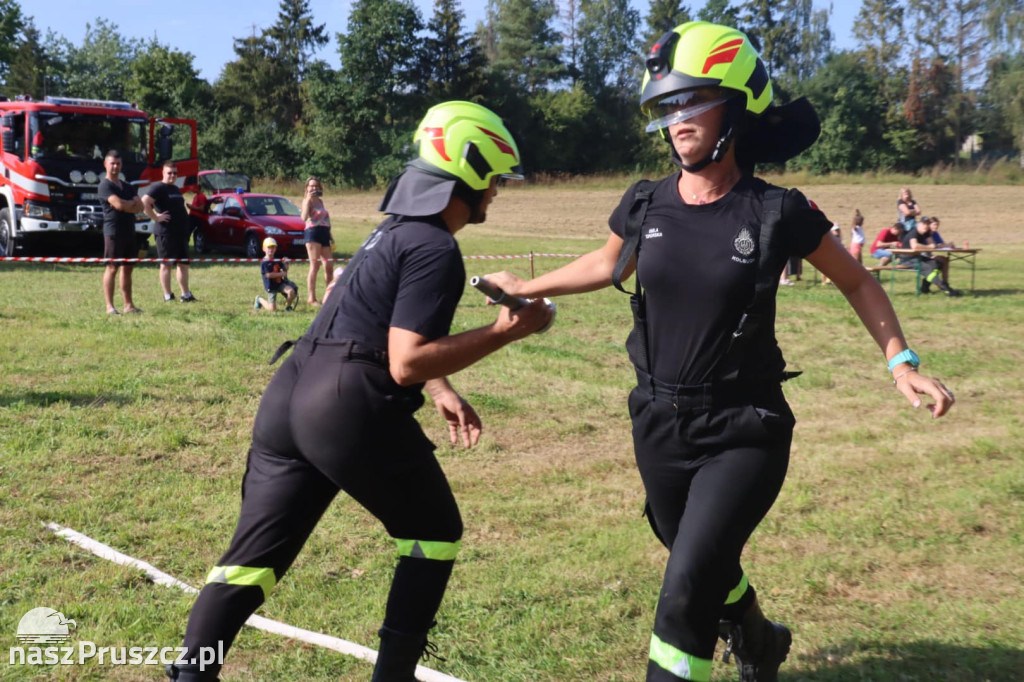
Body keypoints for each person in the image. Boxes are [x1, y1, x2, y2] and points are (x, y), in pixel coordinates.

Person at [485, 22, 954, 682]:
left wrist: (900, 362)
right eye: (667, 106)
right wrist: (524, 286)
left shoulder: (775, 211)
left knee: (683, 597)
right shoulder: (646, 201)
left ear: (734, 108)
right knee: (696, 560)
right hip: (655, 422)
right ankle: (760, 640)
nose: (677, 120)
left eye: (691, 102)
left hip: (743, 431)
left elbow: (857, 278)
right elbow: (609, 260)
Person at [166, 101, 553, 682]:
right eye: (494, 179)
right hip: (346, 404)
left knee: (251, 561)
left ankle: (191, 675)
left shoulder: (389, 232)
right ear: (468, 174)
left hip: (291, 391)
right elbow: (404, 361)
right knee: (435, 532)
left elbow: (360, 314)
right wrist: (508, 329)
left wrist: (440, 385)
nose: (496, 192)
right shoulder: (435, 247)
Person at [142, 160, 197, 303]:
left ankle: (186, 295)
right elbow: (145, 202)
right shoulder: (158, 187)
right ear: (163, 173)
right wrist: (156, 217)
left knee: (183, 264)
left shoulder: (175, 189)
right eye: (169, 173)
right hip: (166, 233)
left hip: (181, 233)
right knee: (166, 264)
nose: (172, 175)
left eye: (175, 173)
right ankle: (168, 296)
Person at [98, 149, 143, 314]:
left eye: (118, 164)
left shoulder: (128, 186)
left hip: (129, 231)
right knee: (112, 268)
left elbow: (141, 206)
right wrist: (129, 204)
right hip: (113, 232)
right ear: (106, 165)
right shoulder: (104, 186)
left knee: (128, 268)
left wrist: (126, 205)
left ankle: (128, 305)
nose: (115, 167)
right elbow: (118, 205)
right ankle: (110, 306)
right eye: (112, 164)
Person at [898, 220, 960, 296]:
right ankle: (945, 289)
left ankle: (925, 287)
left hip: (917, 257)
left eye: (927, 224)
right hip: (907, 259)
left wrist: (941, 245)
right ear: (918, 225)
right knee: (928, 268)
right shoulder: (913, 233)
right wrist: (928, 246)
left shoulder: (925, 233)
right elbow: (914, 246)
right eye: (924, 224)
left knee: (937, 263)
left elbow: (933, 245)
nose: (926, 226)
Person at [300, 175, 335, 306]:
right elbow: (303, 218)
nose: (314, 188)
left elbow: (326, 218)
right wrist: (308, 200)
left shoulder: (320, 201)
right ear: (307, 188)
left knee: (329, 266)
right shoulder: (306, 200)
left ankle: (329, 296)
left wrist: (330, 235)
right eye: (311, 186)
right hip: (313, 232)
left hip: (325, 233)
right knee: (315, 265)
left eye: (316, 185)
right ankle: (311, 298)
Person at [254, 237, 298, 311]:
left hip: (280, 283)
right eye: (269, 247)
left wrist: (286, 263)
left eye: (273, 247)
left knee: (291, 291)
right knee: (272, 309)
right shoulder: (264, 262)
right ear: (264, 248)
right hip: (271, 286)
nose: (271, 249)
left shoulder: (277, 260)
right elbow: (269, 275)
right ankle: (259, 299)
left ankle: (288, 306)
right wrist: (281, 274)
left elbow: (285, 269)